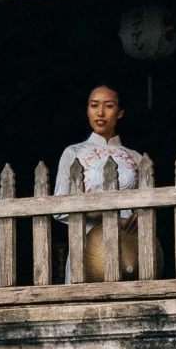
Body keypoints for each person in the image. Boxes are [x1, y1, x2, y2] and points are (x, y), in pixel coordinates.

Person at [57, 83, 142, 281]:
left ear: (120, 113)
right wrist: (95, 211)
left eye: (109, 106)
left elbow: (150, 205)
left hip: (130, 245)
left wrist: (142, 215)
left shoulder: (136, 158)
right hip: (88, 242)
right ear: (87, 110)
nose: (100, 112)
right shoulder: (73, 153)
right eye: (94, 105)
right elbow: (58, 207)